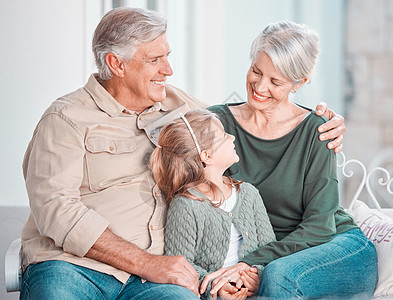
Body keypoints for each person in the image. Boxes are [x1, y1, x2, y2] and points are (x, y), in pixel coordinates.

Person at [20, 7, 345, 299]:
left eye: (168, 56)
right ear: (116, 64)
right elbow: (56, 209)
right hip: (74, 267)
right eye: (154, 60)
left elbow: (242, 120)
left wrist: (317, 119)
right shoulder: (66, 118)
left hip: (155, 281)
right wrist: (146, 262)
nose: (169, 70)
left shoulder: (178, 104)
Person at [201, 20, 378, 299]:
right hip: (268, 258)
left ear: (300, 82)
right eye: (256, 71)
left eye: (276, 81)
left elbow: (320, 227)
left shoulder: (318, 130)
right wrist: (240, 270)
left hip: (334, 249)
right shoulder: (217, 124)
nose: (259, 86)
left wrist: (253, 264)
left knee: (279, 275)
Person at [149, 109, 276, 299]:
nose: (232, 137)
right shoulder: (186, 205)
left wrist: (255, 276)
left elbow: (269, 248)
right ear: (206, 156)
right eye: (224, 135)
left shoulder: (249, 194)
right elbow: (182, 265)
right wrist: (215, 288)